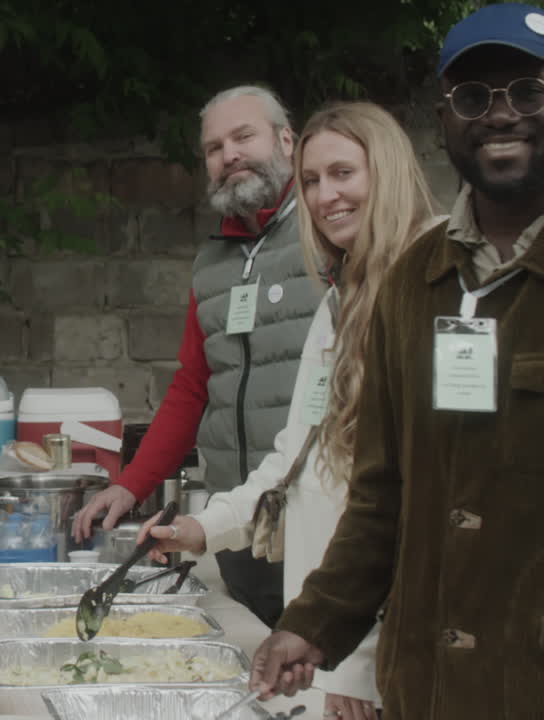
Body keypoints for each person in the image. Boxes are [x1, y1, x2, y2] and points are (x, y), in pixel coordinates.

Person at [250, 5, 544, 717]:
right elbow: (381, 493)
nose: (500, 115)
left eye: (528, 92)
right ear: (443, 119)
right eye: (474, 98)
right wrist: (314, 621)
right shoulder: (416, 282)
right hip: (426, 691)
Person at [137, 102, 438, 720]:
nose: (326, 196)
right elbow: (296, 459)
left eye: (344, 174)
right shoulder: (341, 302)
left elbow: (412, 508)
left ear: (387, 171)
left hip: (391, 652)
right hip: (335, 635)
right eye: (312, 180)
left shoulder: (430, 290)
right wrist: (202, 528)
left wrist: (356, 656)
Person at [73, 84, 326, 627]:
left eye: (243, 136)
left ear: (287, 140)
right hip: (237, 527)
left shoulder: (328, 230)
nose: (229, 154)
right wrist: (130, 483)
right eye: (214, 147)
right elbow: (194, 385)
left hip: (318, 524)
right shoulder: (213, 262)